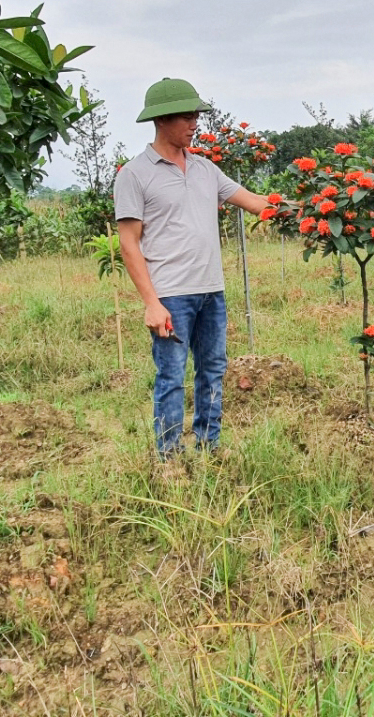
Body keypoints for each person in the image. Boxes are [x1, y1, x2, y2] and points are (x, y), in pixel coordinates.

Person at [114, 77, 271, 462]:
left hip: (211, 292)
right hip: (170, 295)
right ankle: (168, 457)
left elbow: (255, 203)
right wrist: (151, 303)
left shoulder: (205, 169)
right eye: (186, 116)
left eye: (195, 116)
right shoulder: (134, 175)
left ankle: (208, 446)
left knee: (213, 369)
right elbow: (128, 243)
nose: (194, 124)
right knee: (171, 377)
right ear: (162, 120)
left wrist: (319, 209)